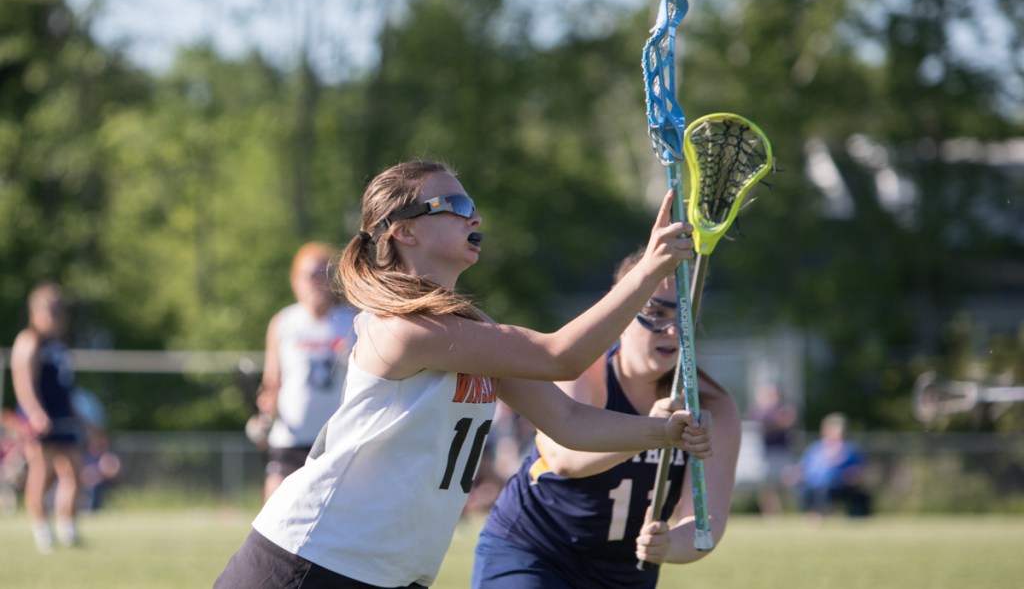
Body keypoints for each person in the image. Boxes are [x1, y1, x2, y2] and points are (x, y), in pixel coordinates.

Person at [214, 158, 710, 589]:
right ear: (404, 231)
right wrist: (648, 270)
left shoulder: (469, 330)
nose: (474, 214)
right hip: (313, 560)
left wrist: (664, 432)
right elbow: (561, 357)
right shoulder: (404, 328)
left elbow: (568, 422)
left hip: (389, 572)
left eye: (470, 199)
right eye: (453, 202)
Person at [472, 248, 742, 589]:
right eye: (656, 313)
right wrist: (653, 431)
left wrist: (670, 545)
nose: (672, 331)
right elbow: (565, 458)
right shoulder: (583, 371)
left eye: (684, 317)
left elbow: (706, 522)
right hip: (534, 550)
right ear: (624, 311)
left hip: (624, 575)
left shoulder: (712, 404)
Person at [250, 242, 359, 501]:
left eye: (325, 273)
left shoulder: (353, 320)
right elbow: (272, 382)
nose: (318, 281)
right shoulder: (285, 321)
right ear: (295, 280)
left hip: (336, 439)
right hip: (290, 438)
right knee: (273, 514)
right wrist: (263, 417)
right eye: (311, 274)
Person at [10, 282, 83, 552]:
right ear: (36, 311)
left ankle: (68, 529)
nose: (57, 315)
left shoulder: (60, 347)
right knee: (41, 473)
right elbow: (23, 381)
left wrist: (82, 419)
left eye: (60, 309)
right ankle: (42, 533)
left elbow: (67, 389)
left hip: (63, 417)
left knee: (74, 472)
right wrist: (35, 412)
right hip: (39, 420)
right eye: (52, 309)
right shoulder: (29, 340)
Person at [790, 412, 871, 518]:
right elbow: (803, 466)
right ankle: (813, 514)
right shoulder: (815, 448)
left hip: (838, 485)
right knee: (804, 489)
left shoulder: (850, 449)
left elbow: (857, 470)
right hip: (813, 485)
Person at [747, 382, 798, 516]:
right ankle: (772, 513)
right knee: (767, 485)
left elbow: (787, 422)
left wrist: (774, 422)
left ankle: (792, 510)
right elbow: (761, 425)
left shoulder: (785, 408)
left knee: (787, 482)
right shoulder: (760, 411)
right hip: (767, 452)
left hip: (783, 451)